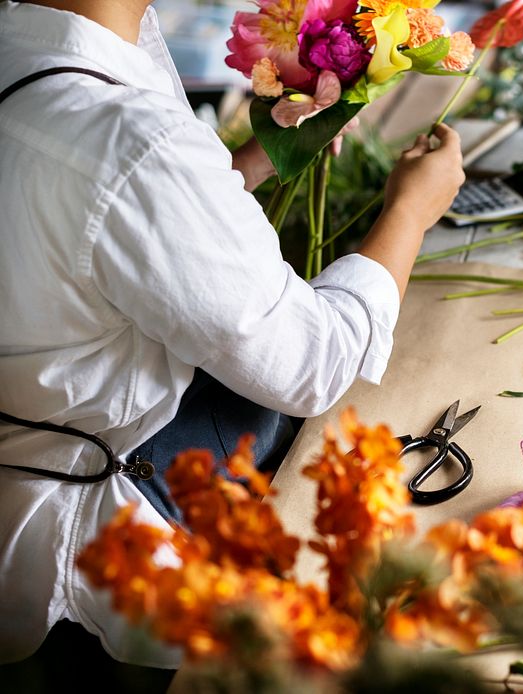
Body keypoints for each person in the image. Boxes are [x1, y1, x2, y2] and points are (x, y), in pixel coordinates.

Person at [0, 0, 465, 683]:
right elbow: (310, 362)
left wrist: (246, 166)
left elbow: (91, 221)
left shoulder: (28, 58)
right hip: (96, 532)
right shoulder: (128, 133)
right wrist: (410, 213)